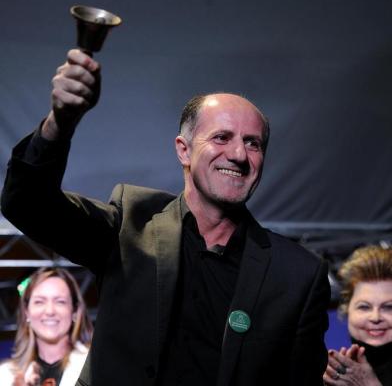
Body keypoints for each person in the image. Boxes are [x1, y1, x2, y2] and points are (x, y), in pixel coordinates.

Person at [1, 49, 330, 385]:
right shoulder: (130, 224)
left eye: (253, 143)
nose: (238, 154)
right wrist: (60, 123)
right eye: (221, 137)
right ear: (183, 150)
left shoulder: (297, 274)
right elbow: (26, 204)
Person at [0, 267, 93, 386]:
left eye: (60, 301)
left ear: (74, 311)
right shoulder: (5, 376)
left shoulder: (95, 366)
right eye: (39, 301)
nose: (49, 311)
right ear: (26, 312)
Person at [323, 245, 392, 386]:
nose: (375, 317)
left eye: (389, 307)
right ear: (347, 310)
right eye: (364, 307)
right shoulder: (337, 373)